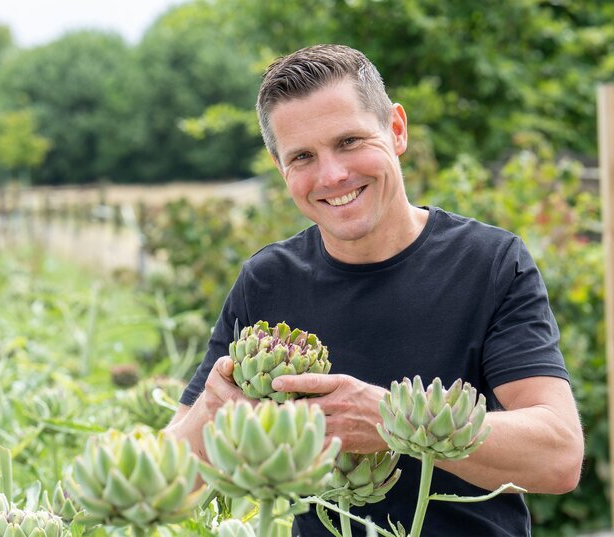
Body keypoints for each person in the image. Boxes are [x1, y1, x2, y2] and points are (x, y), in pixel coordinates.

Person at [164, 44, 584, 536]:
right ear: (281, 169)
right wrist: (213, 411)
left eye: (349, 141)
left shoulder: (490, 264)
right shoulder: (267, 280)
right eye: (302, 156)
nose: (332, 175)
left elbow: (559, 456)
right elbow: (168, 483)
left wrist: (393, 420)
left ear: (397, 130)